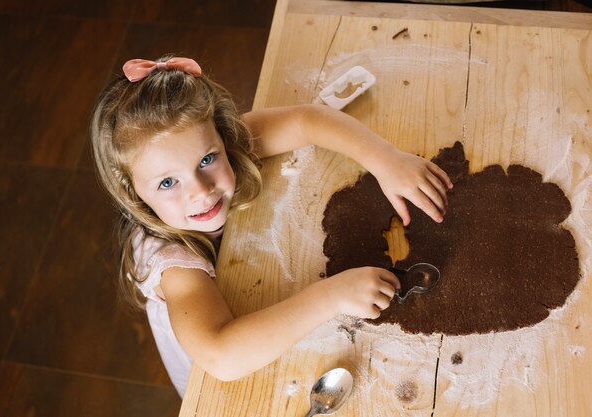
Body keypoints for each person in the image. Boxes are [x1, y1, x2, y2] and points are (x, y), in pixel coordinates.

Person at [90, 55, 452, 396]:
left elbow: (306, 120)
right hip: (225, 375)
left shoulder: (225, 143)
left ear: (220, 134)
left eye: (207, 159)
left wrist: (385, 158)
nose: (201, 191)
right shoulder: (171, 263)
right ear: (131, 191)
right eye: (167, 183)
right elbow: (222, 356)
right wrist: (331, 295)